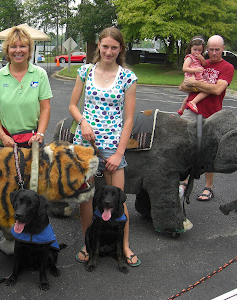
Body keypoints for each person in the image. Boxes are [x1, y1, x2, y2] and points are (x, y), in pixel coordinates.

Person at [69, 27, 140, 267]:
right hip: (85, 145)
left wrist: (119, 153)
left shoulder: (127, 77)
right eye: (105, 46)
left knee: (119, 200)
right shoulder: (85, 72)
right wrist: (83, 122)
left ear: (120, 49)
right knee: (86, 197)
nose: (109, 51)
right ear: (98, 46)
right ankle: (89, 243)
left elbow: (128, 119)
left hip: (112, 146)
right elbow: (72, 106)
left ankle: (125, 245)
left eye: (114, 47)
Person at [179, 35, 234, 201]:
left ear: (223, 48)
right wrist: (202, 85)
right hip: (191, 109)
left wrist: (195, 84)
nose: (214, 53)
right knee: (184, 146)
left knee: (209, 151)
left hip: (212, 112)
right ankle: (183, 181)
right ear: (206, 49)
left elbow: (218, 90)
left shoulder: (227, 67)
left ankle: (208, 187)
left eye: (217, 49)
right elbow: (182, 86)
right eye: (211, 49)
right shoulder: (200, 62)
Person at [0, 26, 52, 148]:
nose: (18, 50)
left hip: (33, 142)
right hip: (3, 144)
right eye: (13, 46)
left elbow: (45, 108)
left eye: (22, 46)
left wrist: (40, 134)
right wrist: (3, 136)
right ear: (7, 50)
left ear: (29, 49)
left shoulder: (40, 74)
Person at [177, 36, 208, 115]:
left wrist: (202, 59)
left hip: (197, 77)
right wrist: (195, 70)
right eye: (195, 50)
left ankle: (181, 109)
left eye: (199, 50)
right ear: (190, 48)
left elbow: (205, 64)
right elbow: (184, 68)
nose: (197, 52)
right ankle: (193, 102)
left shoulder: (199, 58)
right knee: (207, 90)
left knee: (190, 95)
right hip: (191, 77)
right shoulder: (189, 58)